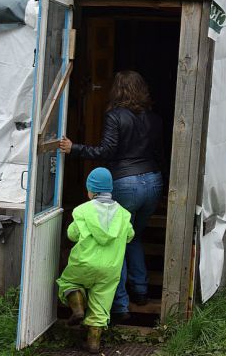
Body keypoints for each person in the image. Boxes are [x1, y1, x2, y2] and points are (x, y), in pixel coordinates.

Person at [59, 70, 164, 322]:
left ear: (117, 90)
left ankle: (120, 306)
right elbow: (161, 154)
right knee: (133, 236)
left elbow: (106, 151)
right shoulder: (154, 119)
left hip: (125, 183)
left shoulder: (115, 116)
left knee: (116, 242)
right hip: (153, 181)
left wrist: (75, 149)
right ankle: (141, 292)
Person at [56, 167, 134, 354]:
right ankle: (93, 343)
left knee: (69, 282)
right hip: (110, 268)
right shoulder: (124, 214)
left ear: (92, 190)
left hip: (84, 262)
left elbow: (72, 234)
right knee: (101, 302)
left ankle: (78, 308)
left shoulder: (82, 210)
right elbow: (130, 236)